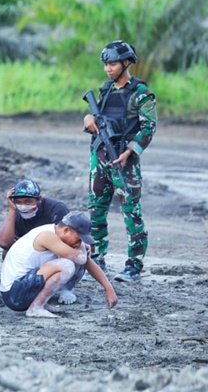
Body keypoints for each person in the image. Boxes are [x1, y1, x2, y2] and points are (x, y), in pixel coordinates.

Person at [83, 41, 157, 282]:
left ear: (127, 63)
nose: (108, 69)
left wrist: (130, 151)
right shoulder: (105, 91)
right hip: (101, 157)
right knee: (96, 210)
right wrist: (88, 119)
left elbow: (149, 127)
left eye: (112, 63)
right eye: (105, 64)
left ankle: (134, 265)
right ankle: (96, 260)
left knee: (131, 212)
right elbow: (99, 119)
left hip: (125, 160)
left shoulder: (140, 93)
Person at [0, 211, 118, 318]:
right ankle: (35, 308)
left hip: (23, 288)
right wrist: (82, 248)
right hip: (13, 294)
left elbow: (86, 261)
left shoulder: (58, 237)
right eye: (78, 239)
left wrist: (109, 289)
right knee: (66, 265)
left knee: (74, 261)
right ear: (66, 230)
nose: (79, 243)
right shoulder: (47, 235)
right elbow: (81, 259)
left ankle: (42, 304)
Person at [0, 180, 69, 257]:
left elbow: (65, 238)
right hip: (28, 255)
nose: (23, 207)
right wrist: (12, 210)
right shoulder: (16, 213)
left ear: (39, 199)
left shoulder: (55, 208)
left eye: (28, 202)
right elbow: (4, 243)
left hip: (53, 252)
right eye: (18, 202)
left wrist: (27, 241)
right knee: (8, 252)